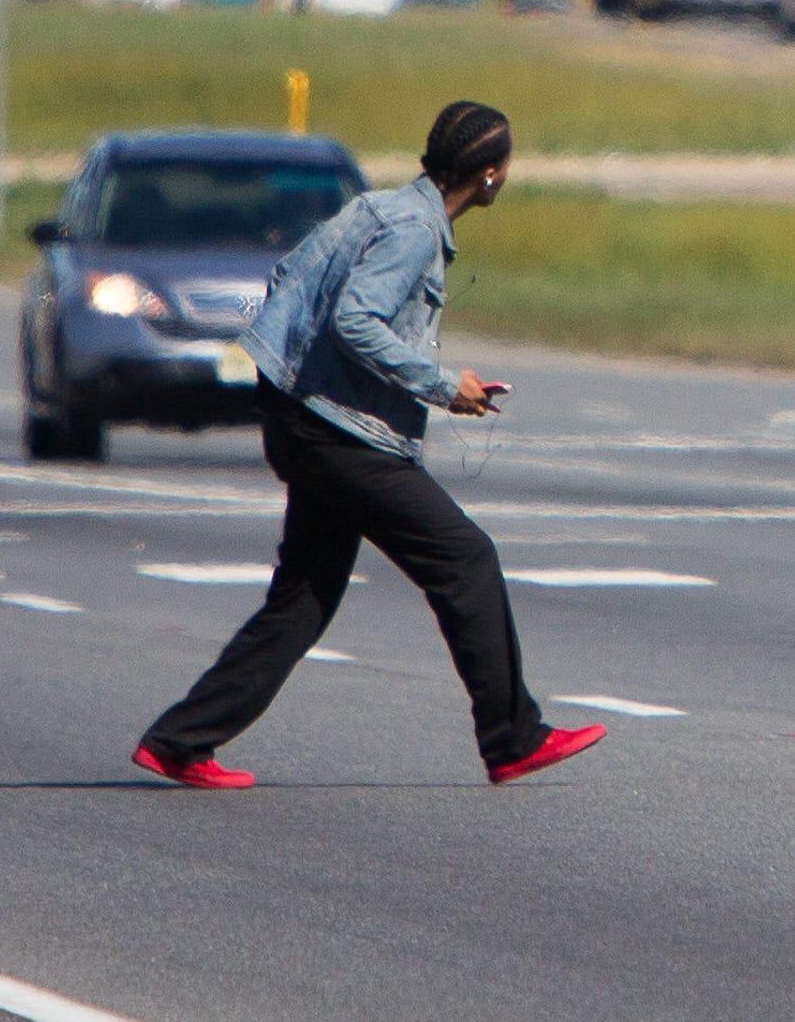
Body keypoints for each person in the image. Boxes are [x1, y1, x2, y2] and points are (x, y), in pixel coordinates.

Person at [132, 102, 603, 790]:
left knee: (304, 597)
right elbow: (357, 320)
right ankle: (511, 735)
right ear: (492, 174)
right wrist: (443, 384)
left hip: (299, 416)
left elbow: (289, 276)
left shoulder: (374, 208)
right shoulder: (414, 230)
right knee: (466, 558)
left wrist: (302, 378)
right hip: (337, 433)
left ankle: (179, 740)